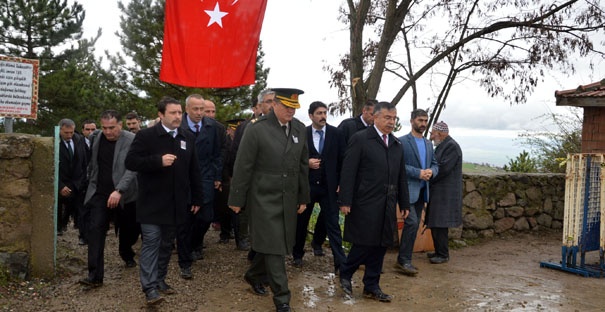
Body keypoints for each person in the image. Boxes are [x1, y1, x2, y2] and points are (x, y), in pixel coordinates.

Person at [229, 88, 310, 312]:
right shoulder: (257, 129)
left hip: (288, 196)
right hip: (262, 197)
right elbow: (243, 165)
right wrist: (237, 198)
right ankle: (283, 299)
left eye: (294, 108)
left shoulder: (300, 129)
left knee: (274, 243)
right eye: (286, 107)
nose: (290, 112)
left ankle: (253, 274)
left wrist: (303, 196)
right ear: (274, 104)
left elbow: (302, 165)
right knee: (275, 247)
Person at [125, 96, 203, 306]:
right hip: (151, 203)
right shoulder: (146, 136)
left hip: (176, 203)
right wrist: (157, 161)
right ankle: (149, 288)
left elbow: (194, 170)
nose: (178, 117)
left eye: (179, 113)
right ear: (161, 115)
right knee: (151, 241)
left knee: (167, 244)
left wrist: (197, 197)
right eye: (173, 113)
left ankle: (160, 279)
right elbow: (131, 162)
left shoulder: (186, 137)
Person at [338, 101, 410, 303]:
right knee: (364, 243)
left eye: (394, 118)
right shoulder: (361, 139)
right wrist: (345, 200)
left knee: (381, 245)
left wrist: (404, 204)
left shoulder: (396, 145)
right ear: (375, 117)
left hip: (388, 203)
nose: (391, 121)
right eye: (387, 117)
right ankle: (345, 273)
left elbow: (401, 176)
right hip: (364, 202)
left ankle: (371, 286)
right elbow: (348, 171)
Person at [78, 110, 138, 288]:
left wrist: (119, 190)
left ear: (120, 124)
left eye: (112, 127)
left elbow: (132, 168)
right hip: (100, 193)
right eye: (104, 127)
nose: (108, 131)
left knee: (130, 230)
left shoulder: (131, 140)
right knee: (95, 231)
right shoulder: (97, 137)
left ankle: (126, 252)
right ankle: (95, 276)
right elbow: (93, 163)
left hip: (126, 195)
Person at [292, 101, 346, 274]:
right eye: (319, 113)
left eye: (325, 112)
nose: (323, 116)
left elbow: (343, 159)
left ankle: (340, 263)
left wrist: (340, 184)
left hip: (329, 187)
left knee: (333, 224)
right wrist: (306, 163)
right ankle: (297, 255)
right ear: (310, 115)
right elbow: (294, 157)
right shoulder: (303, 133)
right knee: (301, 221)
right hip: (307, 186)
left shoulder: (336, 133)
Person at [180, 94, 223, 274]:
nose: (199, 113)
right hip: (183, 180)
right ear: (187, 110)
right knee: (184, 221)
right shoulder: (178, 126)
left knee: (205, 217)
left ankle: (196, 243)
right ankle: (185, 261)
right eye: (195, 109)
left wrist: (216, 176)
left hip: (205, 178)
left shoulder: (213, 127)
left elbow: (218, 153)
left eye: (202, 109)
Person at [229, 89, 276, 254]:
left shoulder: (283, 126)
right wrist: (235, 178)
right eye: (268, 102)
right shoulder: (247, 127)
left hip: (270, 183)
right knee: (245, 212)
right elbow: (236, 153)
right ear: (259, 106)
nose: (272, 105)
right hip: (250, 178)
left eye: (274, 101)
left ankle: (258, 250)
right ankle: (243, 239)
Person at [396, 108, 439, 276]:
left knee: (413, 224)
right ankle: (403, 260)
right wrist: (418, 173)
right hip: (407, 191)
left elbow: (435, 164)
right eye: (420, 120)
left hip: (423, 191)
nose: (423, 124)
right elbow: (398, 166)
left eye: (425, 121)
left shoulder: (428, 144)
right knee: (412, 222)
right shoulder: (401, 142)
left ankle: (404, 259)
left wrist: (431, 172)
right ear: (412, 121)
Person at [426, 121, 463, 264]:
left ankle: (442, 254)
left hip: (445, 194)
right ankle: (438, 251)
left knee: (440, 223)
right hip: (440, 192)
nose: (431, 136)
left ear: (439, 134)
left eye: (432, 133)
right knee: (436, 223)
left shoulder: (451, 147)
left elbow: (443, 169)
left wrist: (429, 176)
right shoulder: (445, 145)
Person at [57, 119, 88, 238]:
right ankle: (59, 228)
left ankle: (84, 236)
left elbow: (84, 162)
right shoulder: (54, 142)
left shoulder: (79, 139)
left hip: (78, 183)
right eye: (66, 133)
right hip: (62, 182)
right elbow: (52, 167)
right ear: (60, 130)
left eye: (72, 132)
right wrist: (60, 186)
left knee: (81, 210)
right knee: (60, 209)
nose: (69, 135)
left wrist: (82, 181)